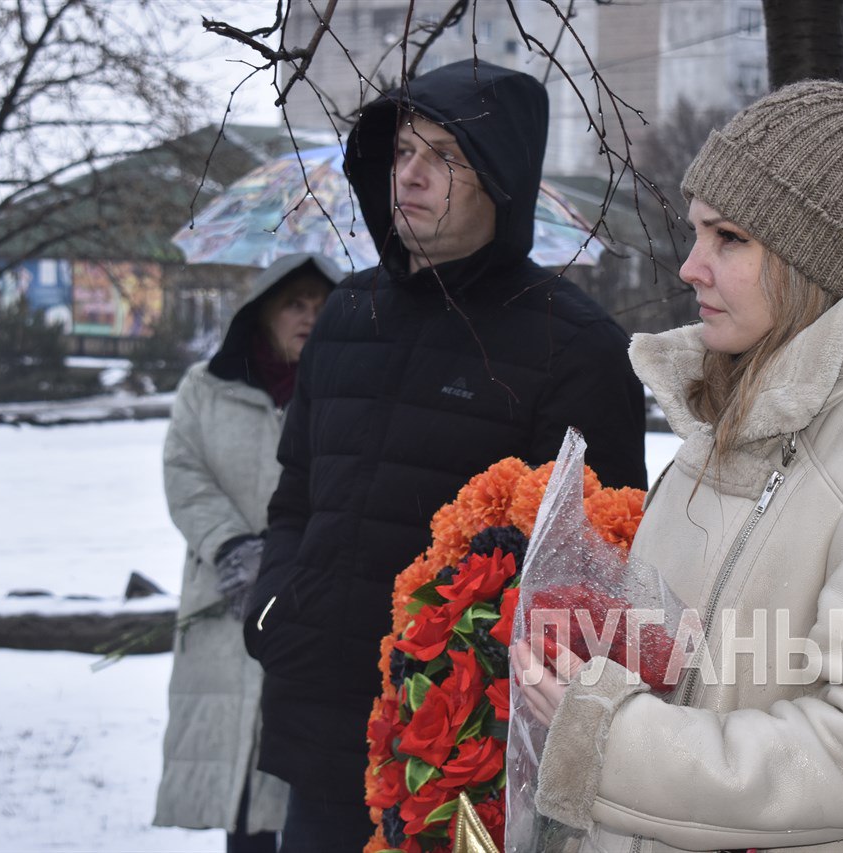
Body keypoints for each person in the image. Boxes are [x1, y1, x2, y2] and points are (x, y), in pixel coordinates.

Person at [514, 80, 843, 852]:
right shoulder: (726, 417)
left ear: (813, 259)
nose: (689, 266)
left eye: (728, 238)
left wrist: (609, 735)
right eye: (695, 233)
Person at [242, 59, 648, 850]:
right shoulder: (345, 316)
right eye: (400, 152)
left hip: (463, 770)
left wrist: (482, 711)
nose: (411, 174)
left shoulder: (578, 348)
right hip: (320, 736)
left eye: (444, 156)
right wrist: (275, 610)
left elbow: (590, 574)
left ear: (500, 178)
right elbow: (295, 499)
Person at [154, 253, 340, 851]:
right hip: (224, 604)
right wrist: (234, 549)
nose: (308, 317)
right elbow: (184, 472)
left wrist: (298, 560)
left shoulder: (345, 396)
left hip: (312, 607)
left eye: (321, 304)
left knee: (308, 791)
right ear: (261, 313)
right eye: (294, 304)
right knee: (241, 786)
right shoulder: (205, 390)